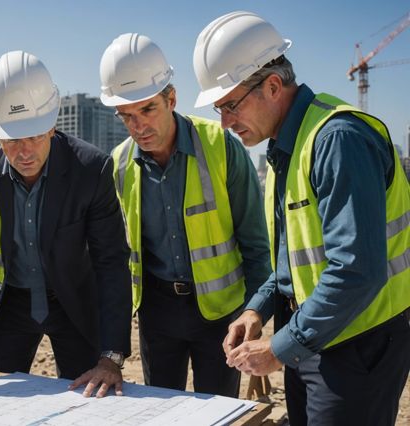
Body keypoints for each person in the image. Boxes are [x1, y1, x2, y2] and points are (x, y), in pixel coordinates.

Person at [193, 11, 410, 425]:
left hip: (358, 346)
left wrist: (280, 347)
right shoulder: (285, 149)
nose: (224, 122)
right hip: (314, 339)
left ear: (272, 86)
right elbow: (293, 262)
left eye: (230, 105)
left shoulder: (337, 139)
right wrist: (257, 310)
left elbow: (356, 270)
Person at [0, 50, 132, 398]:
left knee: (88, 401)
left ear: (53, 126)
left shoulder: (91, 170)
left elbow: (111, 262)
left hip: (73, 302)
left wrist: (111, 356)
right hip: (11, 303)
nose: (24, 151)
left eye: (35, 136)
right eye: (11, 140)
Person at [98, 33, 271, 396]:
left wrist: (256, 321)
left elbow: (255, 245)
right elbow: (114, 258)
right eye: (126, 116)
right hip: (156, 314)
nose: (138, 126)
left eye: (147, 110)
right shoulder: (118, 165)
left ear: (171, 99)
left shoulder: (221, 147)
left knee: (220, 411)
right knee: (161, 410)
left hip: (222, 315)